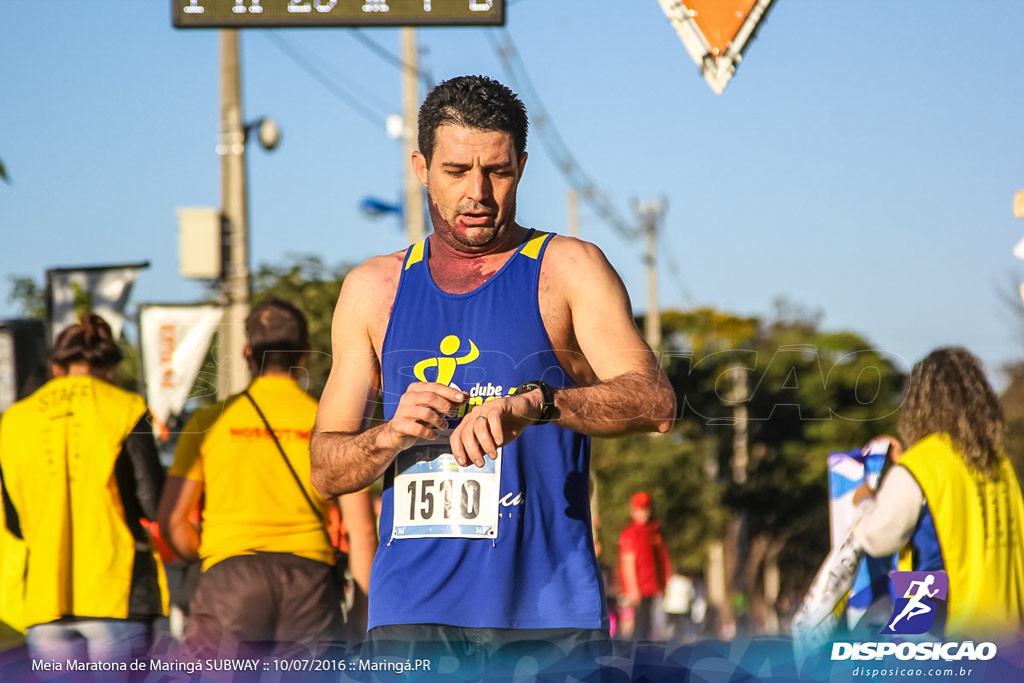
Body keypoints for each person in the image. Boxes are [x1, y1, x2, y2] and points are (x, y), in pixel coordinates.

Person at [309, 74, 676, 674]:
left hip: (546, 609)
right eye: (456, 171)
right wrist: (391, 434)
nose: (477, 192)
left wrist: (536, 405)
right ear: (421, 167)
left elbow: (654, 402)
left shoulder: (568, 269)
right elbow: (326, 468)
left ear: (523, 167)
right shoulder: (374, 290)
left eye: (497, 171)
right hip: (411, 611)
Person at [158, 298, 377, 658]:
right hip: (310, 581)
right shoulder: (332, 424)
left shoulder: (209, 422)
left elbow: (173, 523)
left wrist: (211, 559)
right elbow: (363, 529)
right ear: (305, 353)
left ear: (247, 352)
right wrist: (360, 613)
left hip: (229, 577)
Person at [0, 314, 166, 664]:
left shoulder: (13, 420)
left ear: (56, 366)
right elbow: (153, 503)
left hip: (44, 597)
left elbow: (14, 523)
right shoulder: (127, 409)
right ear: (110, 367)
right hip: (118, 592)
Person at [852, 347, 1024, 639]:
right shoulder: (1000, 462)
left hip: (945, 639)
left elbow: (877, 537)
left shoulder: (920, 466)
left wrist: (864, 499)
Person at [618, 491, 671, 641]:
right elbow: (628, 562)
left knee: (650, 625)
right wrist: (632, 588)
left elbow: (661, 559)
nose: (642, 514)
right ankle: (638, 657)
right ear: (633, 511)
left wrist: (664, 583)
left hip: (653, 586)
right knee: (640, 627)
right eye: (638, 510)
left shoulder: (654, 531)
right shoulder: (630, 534)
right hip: (639, 588)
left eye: (645, 509)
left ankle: (646, 655)